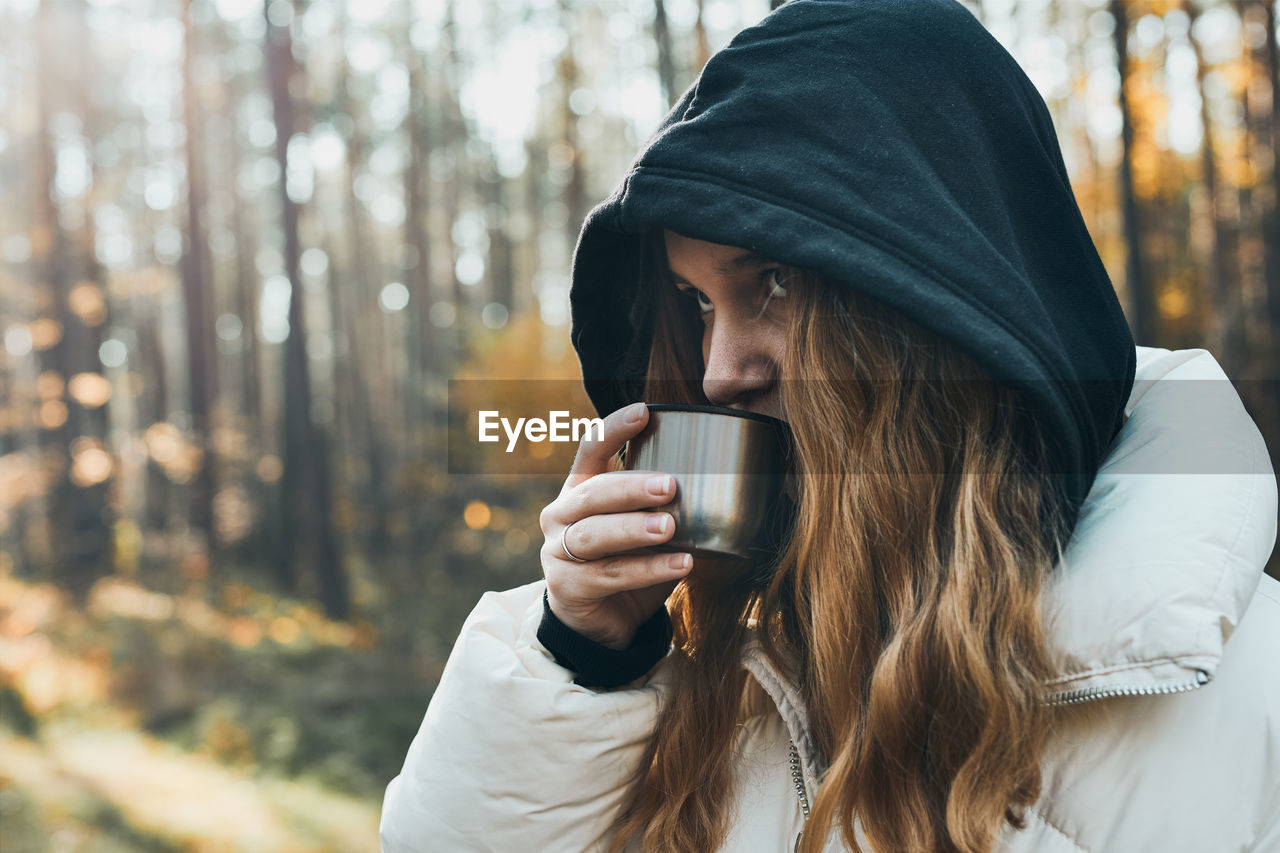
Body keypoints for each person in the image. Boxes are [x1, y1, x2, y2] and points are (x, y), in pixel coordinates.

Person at [381, 1, 1280, 851]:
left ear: (946, 310)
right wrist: (581, 656)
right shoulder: (710, 657)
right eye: (697, 304)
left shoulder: (1250, 702)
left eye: (774, 283)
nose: (720, 371)